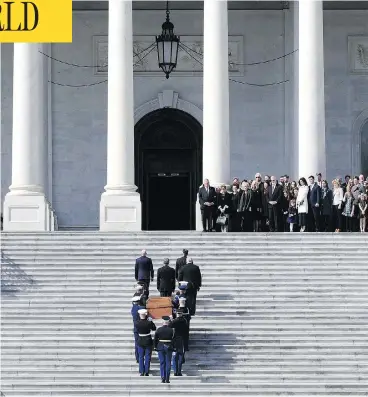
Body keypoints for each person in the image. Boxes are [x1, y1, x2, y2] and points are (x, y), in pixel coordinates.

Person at [135, 308, 156, 376]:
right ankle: (146, 371)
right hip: (147, 340)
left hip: (140, 340)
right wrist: (151, 321)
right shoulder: (148, 322)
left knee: (141, 356)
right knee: (147, 356)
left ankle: (141, 371)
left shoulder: (137, 322)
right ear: (145, 314)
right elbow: (154, 328)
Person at [154, 316, 175, 383]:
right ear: (168, 322)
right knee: (168, 363)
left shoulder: (159, 329)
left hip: (160, 347)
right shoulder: (171, 330)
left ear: (163, 322)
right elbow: (174, 339)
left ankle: (163, 377)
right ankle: (167, 378)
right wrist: (174, 347)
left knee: (162, 362)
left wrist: (155, 347)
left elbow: (155, 339)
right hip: (169, 347)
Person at [169, 309, 189, 376]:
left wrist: (171, 320)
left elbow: (169, 326)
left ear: (177, 314)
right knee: (180, 356)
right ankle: (179, 371)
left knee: (175, 357)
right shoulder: (185, 321)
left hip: (175, 340)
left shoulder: (175, 321)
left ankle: (175, 371)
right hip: (182, 340)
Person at [131, 295, 145, 363]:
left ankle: (137, 357)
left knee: (137, 343)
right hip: (141, 329)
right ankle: (140, 356)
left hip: (136, 329)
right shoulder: (140, 308)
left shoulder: (133, 308)